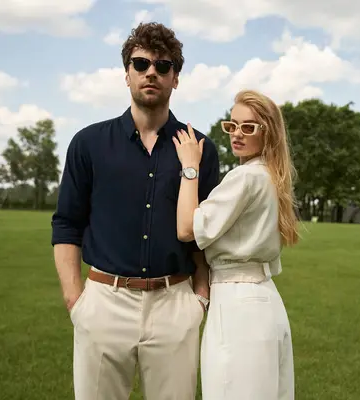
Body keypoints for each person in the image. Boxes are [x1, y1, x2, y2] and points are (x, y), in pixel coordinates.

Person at [50, 22, 220, 400]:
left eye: (163, 66)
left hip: (175, 303)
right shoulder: (88, 144)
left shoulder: (201, 149)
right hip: (103, 302)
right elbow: (66, 224)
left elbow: (208, 233)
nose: (151, 73)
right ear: (126, 72)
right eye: (141, 63)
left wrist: (201, 297)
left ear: (176, 77)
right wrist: (75, 300)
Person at [172, 89, 299, 399]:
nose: (237, 134)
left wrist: (190, 168)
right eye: (232, 125)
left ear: (267, 132)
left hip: (238, 304)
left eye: (248, 127)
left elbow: (187, 228)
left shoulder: (244, 177)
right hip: (264, 300)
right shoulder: (272, 176)